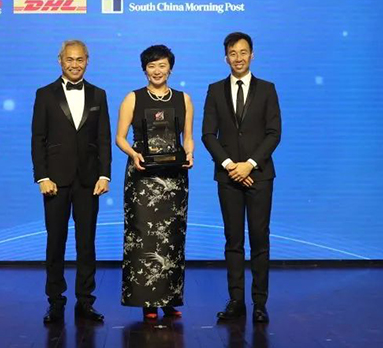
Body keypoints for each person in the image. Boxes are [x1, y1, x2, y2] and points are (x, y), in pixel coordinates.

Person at [202, 32, 281, 324]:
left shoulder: (267, 89)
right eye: (233, 53)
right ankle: (236, 301)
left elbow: (274, 133)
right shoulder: (214, 90)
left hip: (260, 176)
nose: (238, 58)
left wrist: (249, 165)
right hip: (228, 178)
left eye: (243, 52)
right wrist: (230, 166)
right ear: (226, 58)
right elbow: (208, 134)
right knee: (233, 240)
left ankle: (259, 303)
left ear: (252, 55)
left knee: (260, 239)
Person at [31, 40, 112, 324]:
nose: (74, 64)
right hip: (54, 181)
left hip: (89, 181)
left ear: (87, 61)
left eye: (79, 59)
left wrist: (104, 175)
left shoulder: (99, 94)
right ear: (60, 60)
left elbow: (103, 138)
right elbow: (38, 138)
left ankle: (85, 302)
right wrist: (42, 176)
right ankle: (55, 302)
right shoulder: (44, 94)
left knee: (86, 243)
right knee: (55, 243)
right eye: (69, 59)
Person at [116, 45, 194, 320]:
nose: (157, 71)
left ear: (170, 68)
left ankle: (170, 299)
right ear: (144, 70)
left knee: (172, 238)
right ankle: (147, 301)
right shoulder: (132, 98)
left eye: (162, 65)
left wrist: (190, 153)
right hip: (142, 178)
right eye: (151, 66)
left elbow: (188, 137)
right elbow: (120, 137)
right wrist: (133, 153)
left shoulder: (184, 99)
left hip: (174, 178)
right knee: (142, 239)